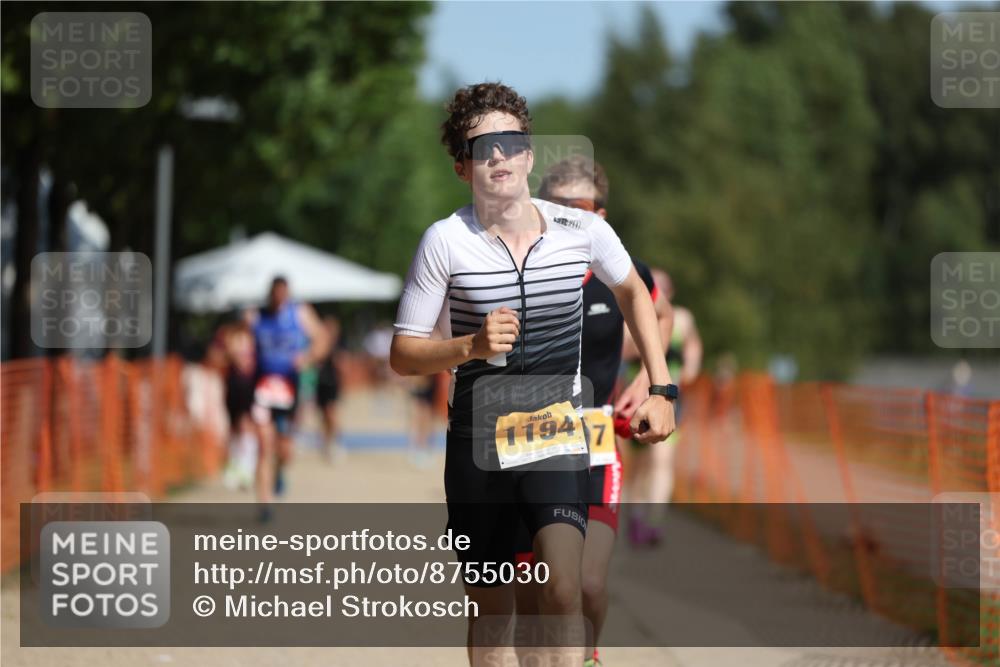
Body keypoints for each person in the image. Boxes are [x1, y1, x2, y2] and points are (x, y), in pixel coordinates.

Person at [389, 82, 677, 665]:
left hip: (556, 431)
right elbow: (403, 353)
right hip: (477, 441)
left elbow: (635, 294)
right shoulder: (445, 242)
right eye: (481, 145)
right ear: (461, 166)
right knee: (493, 606)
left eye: (510, 141)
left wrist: (660, 384)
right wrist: (468, 345)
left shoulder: (582, 231)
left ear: (528, 154)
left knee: (565, 585)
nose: (497, 154)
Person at [512, 156, 673, 667]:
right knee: (536, 595)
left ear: (599, 214)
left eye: (574, 208)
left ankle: (586, 654)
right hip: (527, 440)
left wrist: (651, 379)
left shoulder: (622, 273)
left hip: (596, 439)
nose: (562, 216)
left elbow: (661, 312)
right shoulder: (516, 266)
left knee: (587, 582)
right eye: (551, 206)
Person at [621, 268, 702, 545]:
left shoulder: (683, 319)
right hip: (637, 402)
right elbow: (622, 351)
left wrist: (690, 366)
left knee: (662, 461)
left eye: (663, 286)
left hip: (669, 399)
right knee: (641, 466)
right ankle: (636, 516)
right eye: (652, 285)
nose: (659, 290)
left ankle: (654, 523)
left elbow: (693, 345)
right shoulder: (629, 315)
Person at [249, 276, 330, 522]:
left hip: (289, 389)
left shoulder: (300, 312)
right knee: (264, 445)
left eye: (283, 294)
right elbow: (234, 339)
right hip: (262, 388)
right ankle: (265, 505)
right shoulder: (255, 316)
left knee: (284, 449)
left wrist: (306, 358)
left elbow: (322, 339)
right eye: (275, 294)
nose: (279, 299)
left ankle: (280, 471)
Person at [316, 315, 346, 463]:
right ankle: (327, 442)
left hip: (332, 382)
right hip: (321, 382)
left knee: (331, 414)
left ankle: (335, 442)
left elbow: (341, 365)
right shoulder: (320, 343)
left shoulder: (336, 346)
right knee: (324, 415)